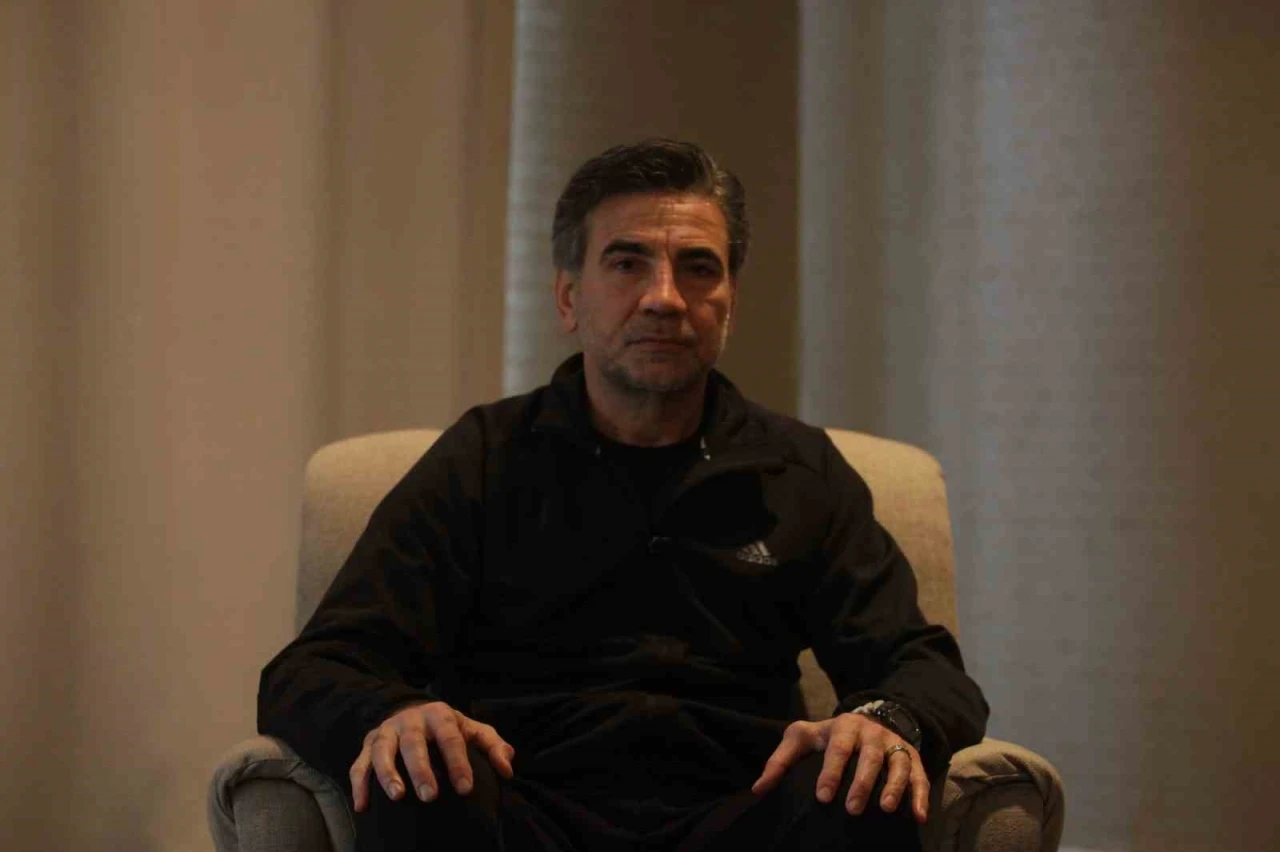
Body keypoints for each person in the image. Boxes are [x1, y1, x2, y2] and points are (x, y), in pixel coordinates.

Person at [258, 139, 988, 852]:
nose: (664, 298)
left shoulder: (799, 471)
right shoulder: (483, 459)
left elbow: (925, 669)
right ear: (568, 298)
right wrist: (394, 711)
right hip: (522, 809)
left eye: (698, 268)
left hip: (742, 812)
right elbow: (313, 668)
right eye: (627, 263)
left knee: (866, 781)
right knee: (418, 772)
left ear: (729, 302)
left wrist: (887, 718)